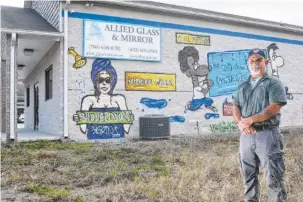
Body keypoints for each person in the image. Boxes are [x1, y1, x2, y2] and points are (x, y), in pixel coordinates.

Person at [232, 48, 287, 202]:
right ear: (247, 63)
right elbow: (235, 106)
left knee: (273, 177)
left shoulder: (273, 83)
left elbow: (274, 107)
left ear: (266, 62)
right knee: (248, 177)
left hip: (267, 134)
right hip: (246, 136)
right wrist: (241, 124)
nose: (255, 64)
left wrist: (250, 120)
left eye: (258, 60)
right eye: (252, 61)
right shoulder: (242, 86)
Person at [73, 59, 132, 139]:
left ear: (113, 81)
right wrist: (80, 119)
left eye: (108, 80)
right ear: (95, 82)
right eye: (100, 80)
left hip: (117, 137)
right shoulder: (89, 100)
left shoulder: (119, 99)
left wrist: (129, 118)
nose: (104, 83)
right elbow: (83, 128)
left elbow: (126, 127)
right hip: (94, 138)